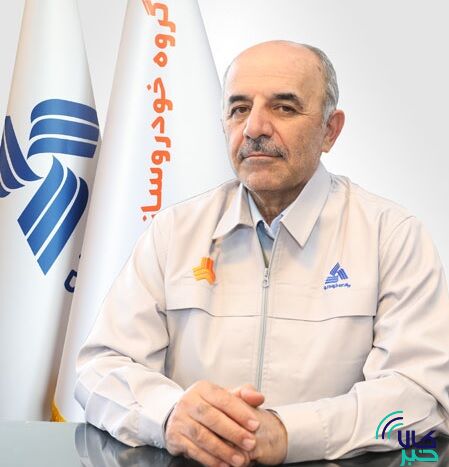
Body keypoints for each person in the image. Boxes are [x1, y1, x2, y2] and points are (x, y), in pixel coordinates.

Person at [75, 41, 449, 466]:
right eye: (238, 109)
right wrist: (168, 413)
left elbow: (421, 395)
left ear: (330, 130)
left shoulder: (391, 236)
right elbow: (101, 367)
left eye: (284, 107)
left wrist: (289, 432)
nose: (254, 127)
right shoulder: (174, 232)